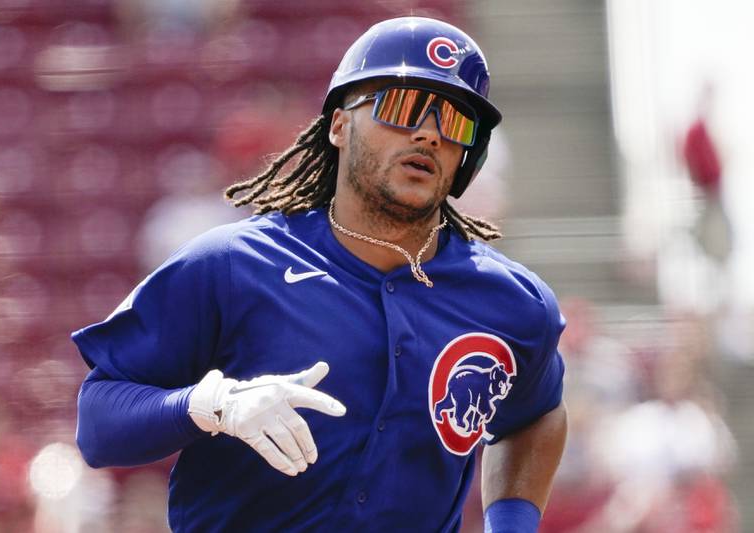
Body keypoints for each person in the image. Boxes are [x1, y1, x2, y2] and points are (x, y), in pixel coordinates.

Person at [72, 16, 567, 533]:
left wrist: (511, 524)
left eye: (455, 121)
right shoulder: (231, 265)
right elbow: (98, 421)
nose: (429, 133)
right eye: (402, 107)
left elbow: (537, 415)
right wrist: (211, 404)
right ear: (338, 124)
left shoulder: (512, 303)